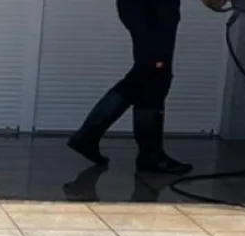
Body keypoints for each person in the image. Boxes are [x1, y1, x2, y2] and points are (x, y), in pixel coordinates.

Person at [68, 0, 230, 175]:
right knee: (150, 72)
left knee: (154, 77)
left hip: (147, 9)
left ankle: (148, 155)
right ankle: (90, 135)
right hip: (152, 9)